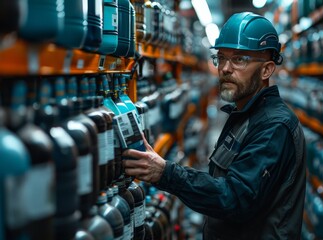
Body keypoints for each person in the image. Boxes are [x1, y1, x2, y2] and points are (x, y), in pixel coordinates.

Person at [123, 12, 306, 240]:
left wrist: (165, 173)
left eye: (239, 59)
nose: (226, 68)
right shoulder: (244, 113)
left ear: (267, 70)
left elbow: (234, 198)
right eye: (221, 57)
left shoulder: (274, 127)